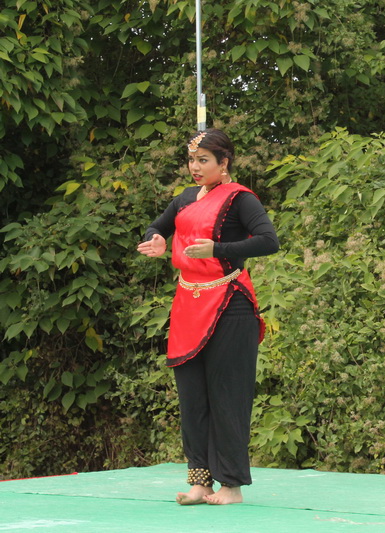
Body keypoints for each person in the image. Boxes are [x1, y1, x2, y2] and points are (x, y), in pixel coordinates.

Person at [137, 128, 280, 505]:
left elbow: (269, 241)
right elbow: (158, 226)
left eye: (203, 160)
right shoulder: (185, 198)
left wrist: (218, 248)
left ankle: (231, 485)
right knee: (192, 397)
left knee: (228, 396)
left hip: (230, 304)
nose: (195, 167)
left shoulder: (239, 199)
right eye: (191, 160)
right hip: (188, 303)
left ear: (224, 163)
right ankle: (200, 481)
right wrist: (157, 239)